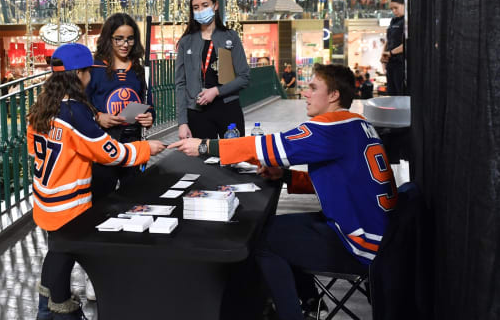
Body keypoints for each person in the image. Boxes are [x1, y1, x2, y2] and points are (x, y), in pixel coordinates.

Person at [169, 64, 397, 320]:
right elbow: (343, 181)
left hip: (357, 244)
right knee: (275, 228)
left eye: (313, 88)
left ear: (334, 95)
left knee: (261, 240)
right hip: (377, 235)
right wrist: (286, 176)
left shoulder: (330, 127)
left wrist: (206, 146)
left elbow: (270, 145)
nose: (306, 93)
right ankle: (310, 302)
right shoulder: (358, 123)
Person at [27, 43, 165, 320]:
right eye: (89, 71)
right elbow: (110, 152)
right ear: (79, 75)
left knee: (57, 253)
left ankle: (48, 310)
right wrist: (147, 149)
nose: (91, 77)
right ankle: (57, 313)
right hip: (69, 205)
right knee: (67, 255)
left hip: (45, 199)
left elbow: (34, 148)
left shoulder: (43, 107)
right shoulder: (75, 113)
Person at [86, 12, 154, 199]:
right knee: (101, 198)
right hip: (103, 144)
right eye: (119, 39)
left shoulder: (138, 69)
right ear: (109, 38)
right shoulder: (94, 68)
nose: (125, 44)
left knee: (135, 197)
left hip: (132, 142)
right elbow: (81, 103)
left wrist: (149, 116)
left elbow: (148, 103)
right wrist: (98, 116)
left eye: (130, 39)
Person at [175, 0, 250, 140]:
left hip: (228, 108)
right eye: (196, 8)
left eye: (205, 5)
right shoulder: (186, 42)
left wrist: (216, 91)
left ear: (215, 6)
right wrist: (182, 122)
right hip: (197, 111)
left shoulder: (230, 37)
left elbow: (244, 77)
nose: (200, 10)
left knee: (234, 159)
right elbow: (180, 84)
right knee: (202, 161)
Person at [381, 0, 405, 95]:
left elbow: (408, 44)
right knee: (391, 93)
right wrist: (383, 54)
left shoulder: (407, 21)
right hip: (391, 63)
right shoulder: (393, 21)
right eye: (392, 9)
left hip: (401, 63)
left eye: (396, 8)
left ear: (404, 5)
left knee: (400, 93)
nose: (394, 11)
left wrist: (391, 53)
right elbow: (388, 39)